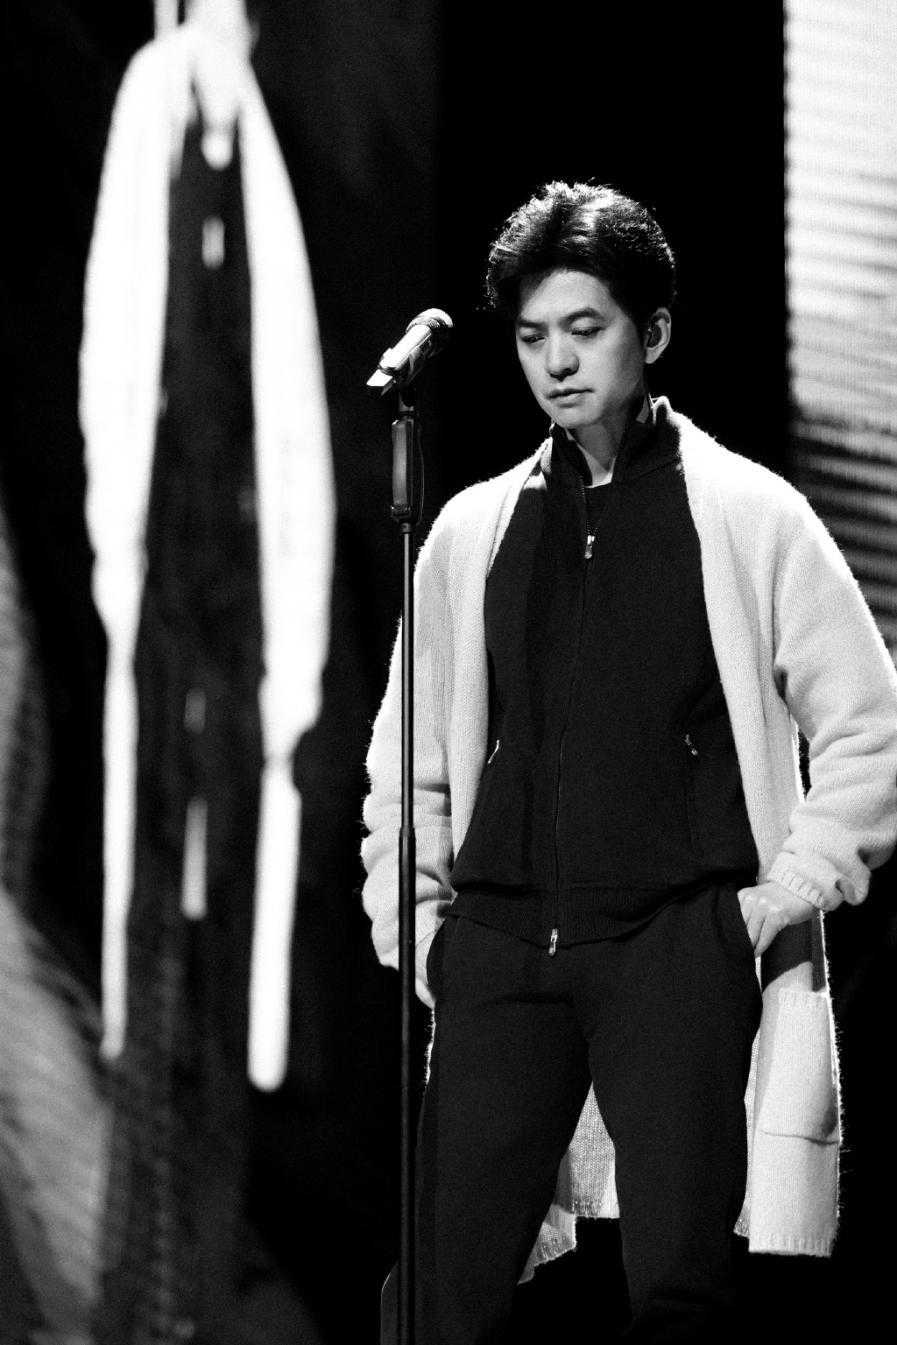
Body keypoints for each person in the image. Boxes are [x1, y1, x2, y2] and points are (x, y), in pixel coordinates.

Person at [361, 180, 897, 1344]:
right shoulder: (474, 530)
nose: (556, 362)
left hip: (672, 948)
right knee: (442, 1296)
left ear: (649, 332)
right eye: (531, 336)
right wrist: (424, 928)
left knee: (676, 1293)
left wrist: (776, 900)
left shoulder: (748, 515)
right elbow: (407, 755)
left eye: (584, 328)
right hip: (502, 947)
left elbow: (869, 722)